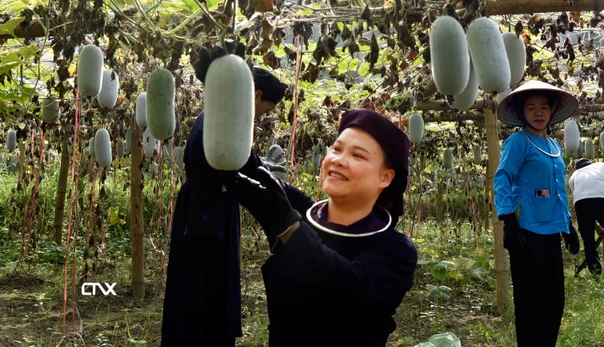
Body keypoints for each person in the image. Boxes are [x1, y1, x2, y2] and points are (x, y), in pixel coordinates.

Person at [220, 108, 418, 347]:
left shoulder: (397, 250)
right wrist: (223, 105)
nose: (338, 160)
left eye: (358, 155)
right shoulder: (304, 214)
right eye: (336, 149)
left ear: (385, 178)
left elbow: (351, 288)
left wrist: (289, 229)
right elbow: (250, 168)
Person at [161, 55, 287, 347]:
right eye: (266, 109)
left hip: (205, 212)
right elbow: (233, 166)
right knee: (207, 284)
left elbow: (236, 161)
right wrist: (263, 173)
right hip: (206, 217)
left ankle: (201, 335)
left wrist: (259, 165)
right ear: (256, 95)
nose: (263, 115)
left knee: (202, 284)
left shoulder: (217, 116)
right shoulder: (220, 120)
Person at [493, 80, 581, 347]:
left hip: (551, 231)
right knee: (531, 301)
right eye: (531, 108)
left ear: (552, 111)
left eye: (543, 107)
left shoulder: (554, 146)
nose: (538, 112)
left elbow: (557, 191)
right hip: (526, 231)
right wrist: (509, 220)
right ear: (522, 113)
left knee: (554, 299)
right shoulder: (518, 142)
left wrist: (568, 226)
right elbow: (503, 178)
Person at [569, 157, 604, 278]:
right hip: (602, 200)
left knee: (588, 240)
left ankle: (596, 273)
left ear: (577, 168)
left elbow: (579, 200)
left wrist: (596, 227)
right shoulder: (603, 165)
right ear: (591, 163)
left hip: (581, 204)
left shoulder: (574, 176)